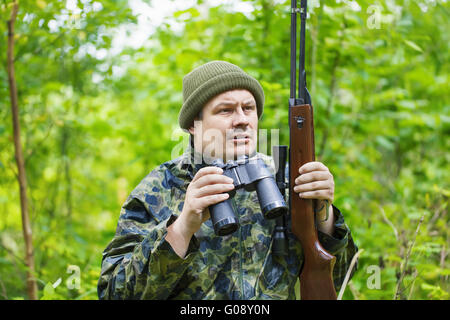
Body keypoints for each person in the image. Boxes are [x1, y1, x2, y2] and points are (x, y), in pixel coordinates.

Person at [97, 61, 358, 300]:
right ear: (193, 125)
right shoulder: (158, 188)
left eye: (249, 108)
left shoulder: (287, 177)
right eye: (225, 110)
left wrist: (325, 215)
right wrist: (183, 228)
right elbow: (114, 294)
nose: (242, 120)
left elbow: (343, 275)